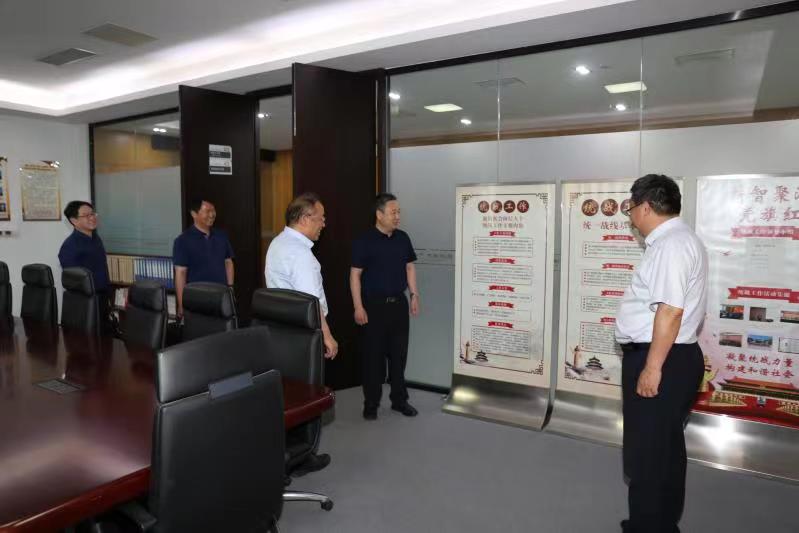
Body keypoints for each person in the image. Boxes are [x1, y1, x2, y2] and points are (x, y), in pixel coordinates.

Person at [615, 174, 708, 533]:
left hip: (661, 358)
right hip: (671, 356)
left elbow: (670, 311)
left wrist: (652, 368)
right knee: (663, 448)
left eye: (630, 208)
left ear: (645, 207)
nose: (630, 217)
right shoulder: (679, 240)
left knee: (648, 454)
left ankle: (648, 527)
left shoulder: (671, 245)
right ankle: (661, 524)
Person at [265, 192, 337, 476]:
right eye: (321, 219)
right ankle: (303, 455)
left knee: (288, 395)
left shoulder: (277, 244)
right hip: (304, 336)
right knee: (308, 394)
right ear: (305, 218)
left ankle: (287, 452)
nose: (324, 224)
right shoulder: (301, 255)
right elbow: (312, 302)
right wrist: (327, 335)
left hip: (280, 333)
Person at [350, 193, 419, 421]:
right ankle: (371, 403)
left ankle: (399, 400)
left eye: (399, 212)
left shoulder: (403, 238)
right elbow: (355, 275)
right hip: (373, 307)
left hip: (398, 305)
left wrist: (414, 295)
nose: (397, 216)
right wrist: (358, 307)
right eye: (393, 212)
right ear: (379, 215)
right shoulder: (364, 241)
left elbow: (409, 267)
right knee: (373, 358)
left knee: (399, 356)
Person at [172, 199, 234, 318]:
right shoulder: (182, 241)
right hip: (197, 299)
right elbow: (180, 273)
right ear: (194, 214)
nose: (212, 214)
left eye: (213, 210)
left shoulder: (221, 236)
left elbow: (228, 262)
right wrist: (181, 304)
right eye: (207, 211)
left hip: (221, 297)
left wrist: (230, 288)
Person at [58, 200, 112, 332]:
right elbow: (74, 282)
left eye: (92, 214)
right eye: (86, 215)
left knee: (105, 338)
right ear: (74, 221)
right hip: (85, 304)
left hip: (103, 298)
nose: (92, 218)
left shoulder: (96, 238)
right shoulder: (69, 247)